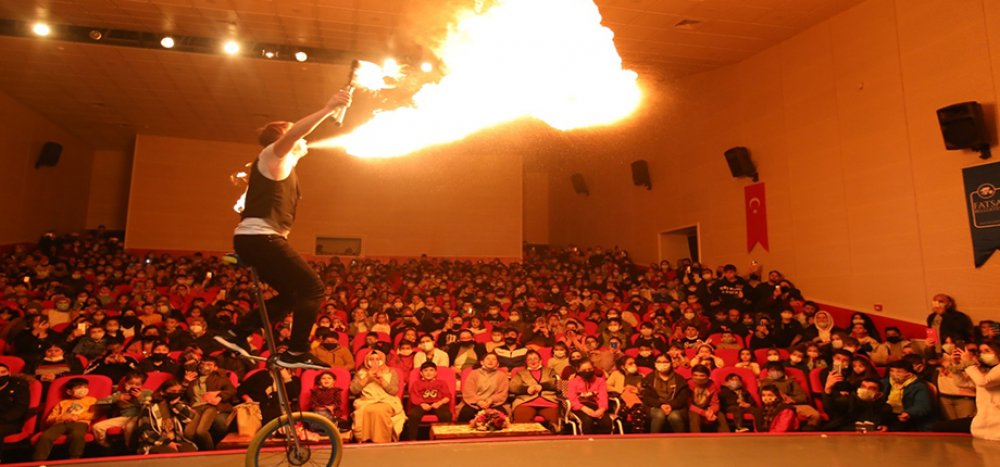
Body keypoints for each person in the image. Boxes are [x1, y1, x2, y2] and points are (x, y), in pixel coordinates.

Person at [217, 89, 353, 367]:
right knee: (314, 289)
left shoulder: (281, 167)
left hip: (255, 239)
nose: (303, 139)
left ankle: (237, 333)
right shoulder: (272, 157)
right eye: (297, 135)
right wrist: (328, 108)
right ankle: (296, 352)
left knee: (293, 294)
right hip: (260, 239)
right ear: (282, 140)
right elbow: (291, 136)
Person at [33, 377, 97, 461]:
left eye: (85, 387)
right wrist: (62, 417)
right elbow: (49, 419)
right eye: (78, 388)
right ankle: (38, 461)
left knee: (77, 435)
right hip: (61, 423)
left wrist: (78, 417)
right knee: (45, 436)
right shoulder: (62, 403)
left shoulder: (92, 400)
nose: (83, 390)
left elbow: (94, 414)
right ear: (69, 391)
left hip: (80, 422)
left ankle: (74, 459)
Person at [180, 356, 235, 450]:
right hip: (195, 408)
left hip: (211, 406)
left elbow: (232, 391)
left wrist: (219, 395)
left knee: (201, 431)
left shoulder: (220, 378)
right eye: (203, 364)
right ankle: (199, 450)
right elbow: (182, 396)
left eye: (209, 365)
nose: (205, 367)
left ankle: (210, 452)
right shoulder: (192, 379)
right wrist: (185, 384)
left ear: (215, 367)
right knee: (188, 433)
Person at [350, 350, 405, 443]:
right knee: (366, 411)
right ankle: (365, 440)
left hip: (388, 401)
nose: (375, 361)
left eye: (378, 359)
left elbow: (393, 391)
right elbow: (353, 390)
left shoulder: (392, 372)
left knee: (379, 410)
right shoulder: (361, 373)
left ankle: (382, 441)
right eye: (371, 359)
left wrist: (381, 379)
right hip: (366, 400)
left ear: (383, 360)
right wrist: (367, 378)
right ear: (366, 361)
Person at [135, 378, 198, 454]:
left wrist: (175, 404)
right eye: (173, 391)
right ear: (162, 392)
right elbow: (146, 433)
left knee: (190, 451)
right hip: (156, 442)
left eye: (179, 391)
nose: (176, 393)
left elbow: (188, 418)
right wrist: (167, 442)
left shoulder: (177, 406)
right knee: (170, 453)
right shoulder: (149, 407)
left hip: (176, 440)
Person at [92, 370, 152, 448]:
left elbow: (150, 406)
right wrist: (117, 399)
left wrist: (139, 398)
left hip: (140, 418)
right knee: (97, 427)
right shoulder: (119, 394)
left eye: (137, 384)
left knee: (129, 427)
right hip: (123, 418)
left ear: (142, 385)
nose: (133, 386)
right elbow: (100, 402)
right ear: (125, 383)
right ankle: (105, 446)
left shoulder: (146, 393)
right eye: (130, 383)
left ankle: (130, 449)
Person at [759, 362, 820, 429]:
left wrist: (792, 399)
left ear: (783, 372)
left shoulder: (790, 382)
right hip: (773, 406)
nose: (775, 372)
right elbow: (762, 397)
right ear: (768, 372)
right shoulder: (765, 383)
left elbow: (803, 397)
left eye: (778, 370)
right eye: (772, 371)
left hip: (792, 405)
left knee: (815, 415)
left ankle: (807, 433)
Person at [960, 340, 1000, 440]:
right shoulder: (988, 370)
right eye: (982, 351)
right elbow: (963, 383)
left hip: (995, 418)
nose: (984, 354)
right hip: (986, 417)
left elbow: (983, 382)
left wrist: (969, 363)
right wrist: (958, 365)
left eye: (987, 351)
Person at [510, 350, 560, 428]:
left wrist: (542, 386)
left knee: (554, 426)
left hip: (548, 401)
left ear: (540, 361)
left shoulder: (550, 371)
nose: (533, 361)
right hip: (525, 402)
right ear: (526, 362)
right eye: (529, 359)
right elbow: (513, 387)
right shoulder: (521, 373)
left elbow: (559, 384)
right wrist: (526, 389)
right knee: (523, 426)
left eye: (535, 358)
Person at [402, 362, 452, 441]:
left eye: (431, 370)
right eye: (425, 370)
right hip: (422, 404)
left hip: (438, 404)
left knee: (446, 415)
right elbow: (414, 396)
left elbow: (447, 396)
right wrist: (422, 404)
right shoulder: (417, 384)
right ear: (421, 373)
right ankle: (412, 439)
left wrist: (439, 403)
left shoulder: (441, 383)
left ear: (436, 373)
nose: (428, 373)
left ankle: (444, 439)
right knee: (413, 415)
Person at [822, 378, 894, 432]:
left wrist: (885, 427)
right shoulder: (848, 400)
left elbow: (889, 424)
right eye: (863, 386)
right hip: (844, 436)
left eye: (871, 388)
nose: (865, 390)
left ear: (879, 394)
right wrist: (828, 390)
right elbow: (829, 408)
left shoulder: (885, 408)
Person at [642, 355, 690, 433]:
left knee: (674, 416)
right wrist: (661, 405)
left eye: (665, 362)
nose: (662, 364)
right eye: (659, 362)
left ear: (671, 363)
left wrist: (671, 405)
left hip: (676, 407)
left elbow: (682, 398)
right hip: (655, 406)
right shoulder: (649, 378)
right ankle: (653, 441)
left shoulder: (679, 379)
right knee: (659, 415)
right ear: (655, 364)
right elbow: (647, 397)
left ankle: (682, 441)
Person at [883, 360, 934, 432]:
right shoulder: (885, 383)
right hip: (888, 414)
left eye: (899, 372)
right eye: (892, 371)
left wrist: (909, 413)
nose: (893, 374)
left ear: (909, 374)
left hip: (907, 416)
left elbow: (923, 405)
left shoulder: (918, 386)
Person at [458, 353, 509, 422]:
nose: (490, 361)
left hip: (494, 404)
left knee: (501, 418)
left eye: (493, 359)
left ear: (497, 364)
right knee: (465, 413)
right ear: (482, 362)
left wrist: (491, 400)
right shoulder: (473, 374)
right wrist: (478, 401)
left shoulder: (502, 376)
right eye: (488, 359)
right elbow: (468, 391)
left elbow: (502, 393)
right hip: (474, 403)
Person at [567, 360, 612, 434]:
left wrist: (601, 410)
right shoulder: (573, 382)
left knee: (606, 422)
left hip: (596, 405)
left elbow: (603, 396)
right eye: (584, 370)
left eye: (590, 369)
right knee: (587, 421)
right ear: (578, 370)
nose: (587, 371)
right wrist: (584, 409)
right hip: (580, 407)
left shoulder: (600, 381)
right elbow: (572, 399)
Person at [0, 363, 30, 462]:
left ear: (9, 373)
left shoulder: (19, 387)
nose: (0, 375)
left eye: (3, 372)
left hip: (10, 422)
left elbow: (20, 408)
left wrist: (3, 418)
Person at [687, 365, 726, 433]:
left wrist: (711, 412)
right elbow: (688, 405)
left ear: (708, 376)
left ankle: (726, 439)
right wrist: (704, 413)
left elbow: (715, 403)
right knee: (694, 416)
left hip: (707, 409)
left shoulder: (712, 385)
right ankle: (696, 440)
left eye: (702, 376)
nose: (698, 378)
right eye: (695, 375)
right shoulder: (688, 384)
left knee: (720, 415)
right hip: (693, 409)